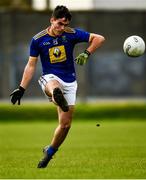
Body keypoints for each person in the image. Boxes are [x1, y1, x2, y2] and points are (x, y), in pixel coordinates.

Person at [10, 5, 105, 168]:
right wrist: (21, 88)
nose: (62, 28)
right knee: (54, 86)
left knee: (66, 124)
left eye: (65, 24)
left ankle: (50, 152)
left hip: (70, 81)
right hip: (49, 78)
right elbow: (31, 65)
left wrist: (86, 53)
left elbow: (99, 38)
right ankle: (56, 95)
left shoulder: (71, 34)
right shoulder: (38, 39)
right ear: (52, 20)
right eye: (59, 24)